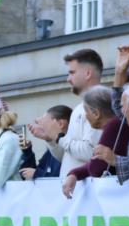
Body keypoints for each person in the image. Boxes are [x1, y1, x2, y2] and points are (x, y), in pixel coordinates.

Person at [31, 49, 104, 177]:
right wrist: (51, 139)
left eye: (72, 72)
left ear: (87, 73)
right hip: (75, 192)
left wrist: (59, 137)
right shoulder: (79, 108)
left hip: (87, 191)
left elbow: (91, 152)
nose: (68, 79)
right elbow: (66, 157)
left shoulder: (99, 104)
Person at [62, 86, 129, 198]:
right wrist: (75, 174)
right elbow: (97, 161)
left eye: (85, 110)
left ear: (96, 113)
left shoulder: (113, 125)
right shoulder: (116, 124)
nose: (85, 115)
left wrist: (76, 173)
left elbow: (96, 169)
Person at [20, 105, 72, 180]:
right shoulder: (51, 151)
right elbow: (26, 173)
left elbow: (58, 178)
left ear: (60, 124)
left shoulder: (71, 148)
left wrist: (36, 174)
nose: (43, 128)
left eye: (45, 124)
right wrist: (27, 151)